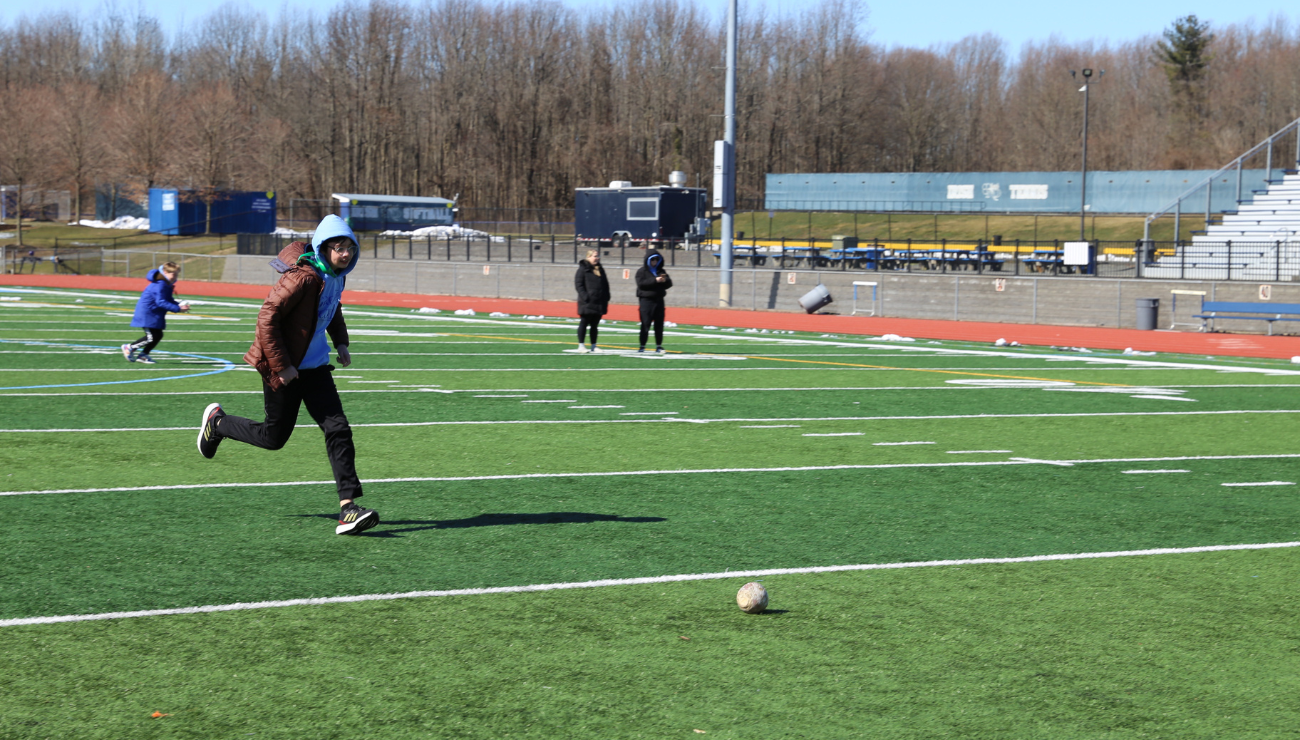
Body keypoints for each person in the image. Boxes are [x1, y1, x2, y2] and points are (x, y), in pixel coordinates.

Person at [196, 215, 378, 536]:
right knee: (273, 438)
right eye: (339, 248)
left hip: (317, 368)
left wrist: (342, 342)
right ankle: (218, 424)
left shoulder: (335, 276)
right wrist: (282, 367)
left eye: (350, 247)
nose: (346, 253)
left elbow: (331, 306)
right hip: (285, 368)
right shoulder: (303, 278)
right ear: (323, 248)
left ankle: (348, 508)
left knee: (338, 428)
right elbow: (267, 318)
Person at [122, 261, 189, 364]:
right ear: (165, 272)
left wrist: (178, 305)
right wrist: (177, 309)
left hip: (154, 313)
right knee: (152, 337)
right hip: (148, 312)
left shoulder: (165, 284)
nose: (175, 277)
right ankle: (129, 347)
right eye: (173, 274)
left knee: (158, 335)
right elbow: (161, 302)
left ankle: (143, 355)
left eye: (177, 274)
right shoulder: (160, 284)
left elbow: (168, 299)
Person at [634, 248, 673, 353]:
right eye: (652, 260)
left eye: (656, 259)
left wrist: (665, 280)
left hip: (659, 300)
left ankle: (659, 346)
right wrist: (655, 280)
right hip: (646, 301)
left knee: (659, 325)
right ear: (648, 260)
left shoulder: (661, 271)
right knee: (645, 324)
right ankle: (642, 346)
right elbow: (641, 284)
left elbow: (669, 284)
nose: (654, 262)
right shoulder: (642, 271)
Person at [574, 248, 611, 352]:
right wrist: (585, 296)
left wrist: (607, 296)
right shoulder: (583, 269)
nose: (597, 258)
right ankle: (581, 345)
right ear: (588, 257)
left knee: (594, 325)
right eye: (595, 256)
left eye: (597, 256)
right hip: (587, 302)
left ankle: (594, 346)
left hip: (599, 302)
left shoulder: (600, 269)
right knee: (584, 322)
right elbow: (579, 284)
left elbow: (605, 284)